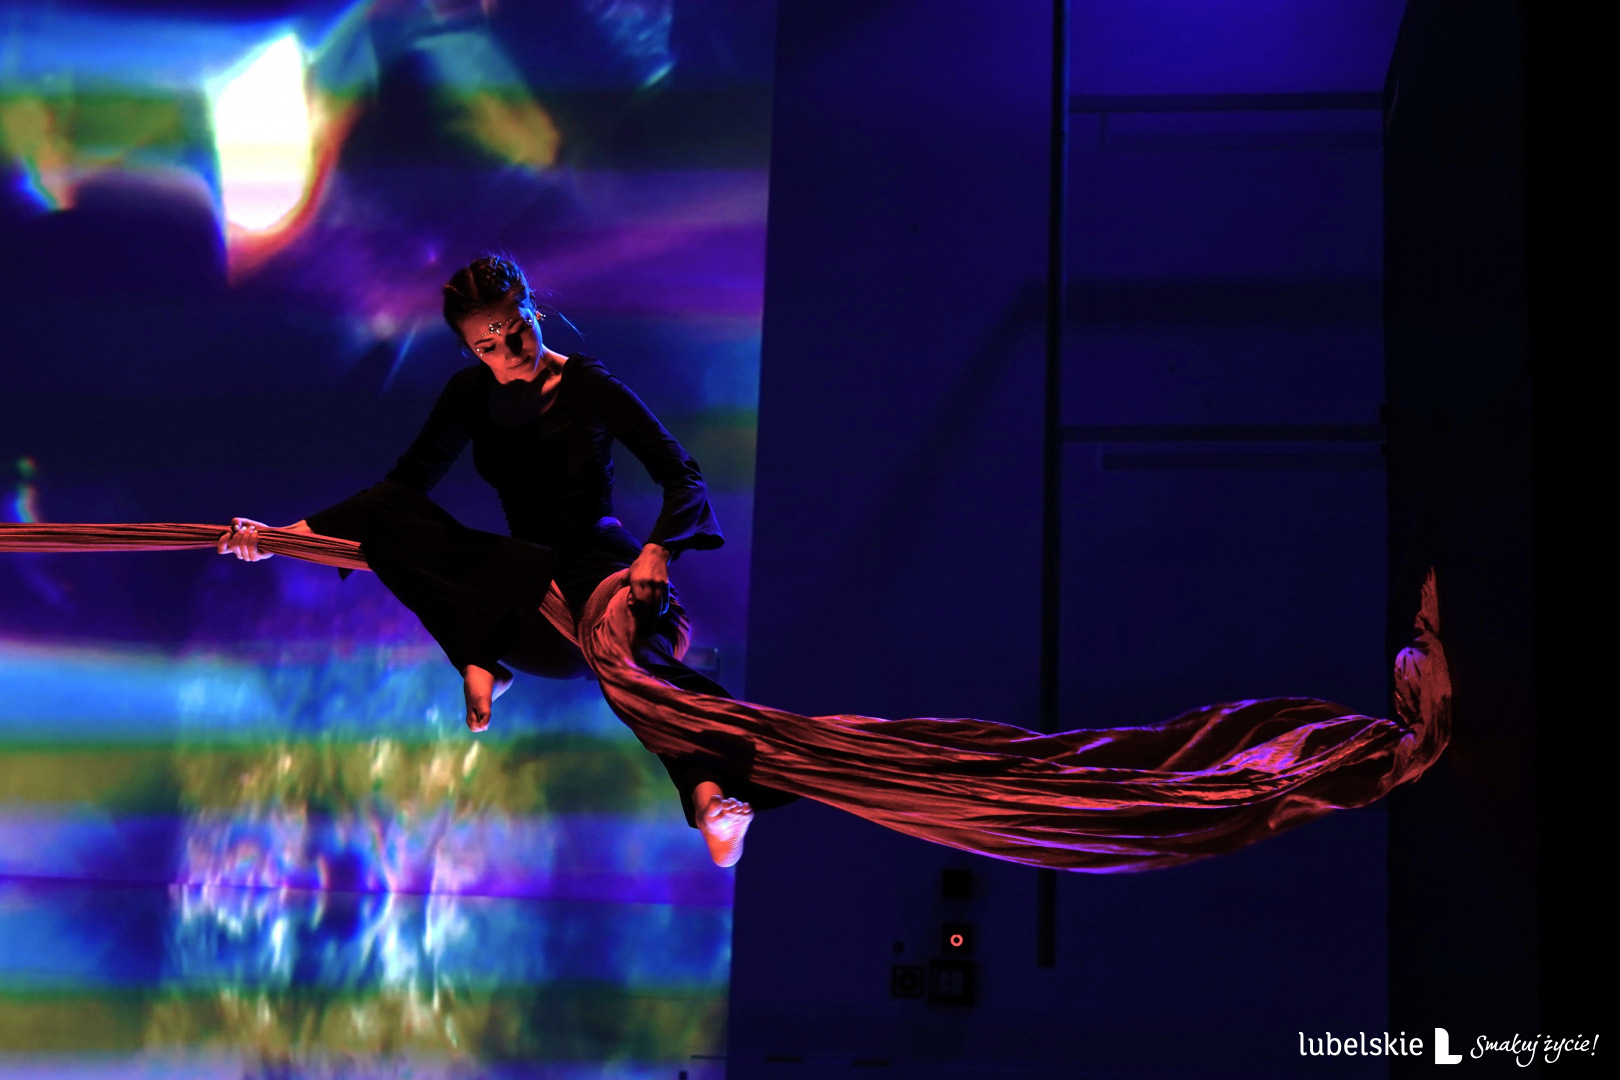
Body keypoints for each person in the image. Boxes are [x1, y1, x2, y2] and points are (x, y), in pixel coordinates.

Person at [218, 255, 794, 866]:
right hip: (523, 593)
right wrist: (279, 539)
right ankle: (478, 659)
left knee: (634, 663)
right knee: (391, 517)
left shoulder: (588, 386)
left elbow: (684, 476)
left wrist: (657, 551)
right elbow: (398, 493)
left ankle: (712, 803)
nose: (510, 351)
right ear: (470, 350)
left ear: (534, 310)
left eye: (517, 329)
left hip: (600, 567)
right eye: (487, 345)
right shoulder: (468, 396)